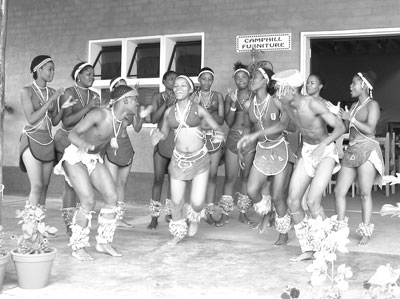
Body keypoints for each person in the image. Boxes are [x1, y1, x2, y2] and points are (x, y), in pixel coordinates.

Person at [242, 69, 345, 261]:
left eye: (280, 87)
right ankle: (308, 248)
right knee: (293, 202)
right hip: (307, 152)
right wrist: (255, 135)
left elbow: (340, 127)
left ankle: (325, 248)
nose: (278, 90)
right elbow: (282, 126)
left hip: (325, 152)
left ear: (290, 88)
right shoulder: (287, 105)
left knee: (313, 201)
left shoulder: (313, 103)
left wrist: (322, 145)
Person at [54, 85, 138, 261]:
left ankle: (103, 242)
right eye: (135, 99)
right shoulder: (100, 115)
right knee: (88, 200)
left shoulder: (122, 121)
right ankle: (78, 246)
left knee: (111, 196)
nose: (138, 102)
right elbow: (73, 135)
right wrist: (82, 145)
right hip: (76, 156)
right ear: (125, 100)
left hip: (93, 159)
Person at [151, 75, 224, 245]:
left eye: (183, 85)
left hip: (199, 159)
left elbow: (217, 128)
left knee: (197, 203)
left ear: (191, 90)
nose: (178, 88)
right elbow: (163, 133)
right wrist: (157, 136)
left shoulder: (198, 109)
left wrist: (218, 137)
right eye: (176, 86)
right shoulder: (169, 112)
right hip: (178, 160)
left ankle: (195, 218)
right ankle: (178, 232)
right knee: (176, 201)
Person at [236, 66, 295, 246]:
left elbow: (288, 126)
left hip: (280, 149)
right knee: (252, 190)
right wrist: (242, 147)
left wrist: (256, 134)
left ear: (265, 81)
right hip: (261, 150)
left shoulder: (277, 101)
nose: (251, 80)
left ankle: (283, 233)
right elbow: (247, 127)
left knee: (278, 196)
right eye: (252, 77)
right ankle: (267, 212)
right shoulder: (248, 104)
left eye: (255, 77)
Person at [19, 55, 76, 210]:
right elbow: (31, 118)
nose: (52, 73)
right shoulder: (27, 91)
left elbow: (55, 121)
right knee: (36, 185)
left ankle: (40, 226)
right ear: (39, 69)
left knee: (45, 186)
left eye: (54, 70)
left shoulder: (52, 91)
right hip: (31, 139)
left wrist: (63, 107)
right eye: (50, 69)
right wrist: (52, 100)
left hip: (47, 140)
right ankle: (31, 227)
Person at [334, 71, 384, 246]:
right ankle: (339, 229)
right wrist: (337, 116)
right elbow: (345, 127)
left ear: (363, 85)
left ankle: (365, 232)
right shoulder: (354, 106)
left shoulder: (373, 105)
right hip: (352, 149)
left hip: (368, 149)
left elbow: (370, 129)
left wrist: (351, 119)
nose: (350, 86)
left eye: (353, 84)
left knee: (364, 193)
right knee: (339, 191)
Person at [54, 62, 100, 236]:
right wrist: (88, 108)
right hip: (67, 141)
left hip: (86, 144)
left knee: (83, 185)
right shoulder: (69, 93)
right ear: (78, 76)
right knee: (70, 185)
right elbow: (67, 121)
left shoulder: (95, 95)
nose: (92, 77)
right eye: (88, 74)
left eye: (93, 74)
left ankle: (80, 222)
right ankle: (69, 225)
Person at [104, 76, 149, 228]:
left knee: (121, 184)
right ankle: (109, 217)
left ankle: (119, 218)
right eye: (120, 87)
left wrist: (140, 114)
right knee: (110, 184)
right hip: (111, 147)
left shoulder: (131, 108)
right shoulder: (106, 109)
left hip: (125, 147)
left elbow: (137, 128)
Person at [216, 62, 256, 227]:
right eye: (237, 77)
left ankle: (243, 213)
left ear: (249, 78)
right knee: (230, 178)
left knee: (245, 177)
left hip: (250, 139)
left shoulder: (255, 96)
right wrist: (233, 104)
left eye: (244, 77)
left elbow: (257, 119)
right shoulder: (229, 97)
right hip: (233, 137)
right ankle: (225, 214)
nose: (240, 80)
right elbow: (229, 121)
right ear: (234, 79)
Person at [191, 67, 225, 225]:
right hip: (197, 139)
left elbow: (221, 120)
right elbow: (190, 119)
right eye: (203, 79)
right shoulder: (192, 96)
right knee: (196, 177)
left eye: (209, 79)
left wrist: (203, 111)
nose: (206, 82)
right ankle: (195, 213)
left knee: (212, 176)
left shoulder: (218, 96)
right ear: (199, 80)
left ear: (212, 80)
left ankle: (209, 213)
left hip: (214, 139)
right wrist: (196, 108)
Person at [147, 71, 177, 229]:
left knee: (174, 180)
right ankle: (154, 217)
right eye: (171, 79)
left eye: (176, 79)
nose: (174, 82)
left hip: (176, 143)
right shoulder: (157, 97)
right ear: (164, 81)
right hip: (161, 142)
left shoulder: (181, 97)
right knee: (158, 179)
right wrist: (167, 104)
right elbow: (153, 119)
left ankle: (170, 213)